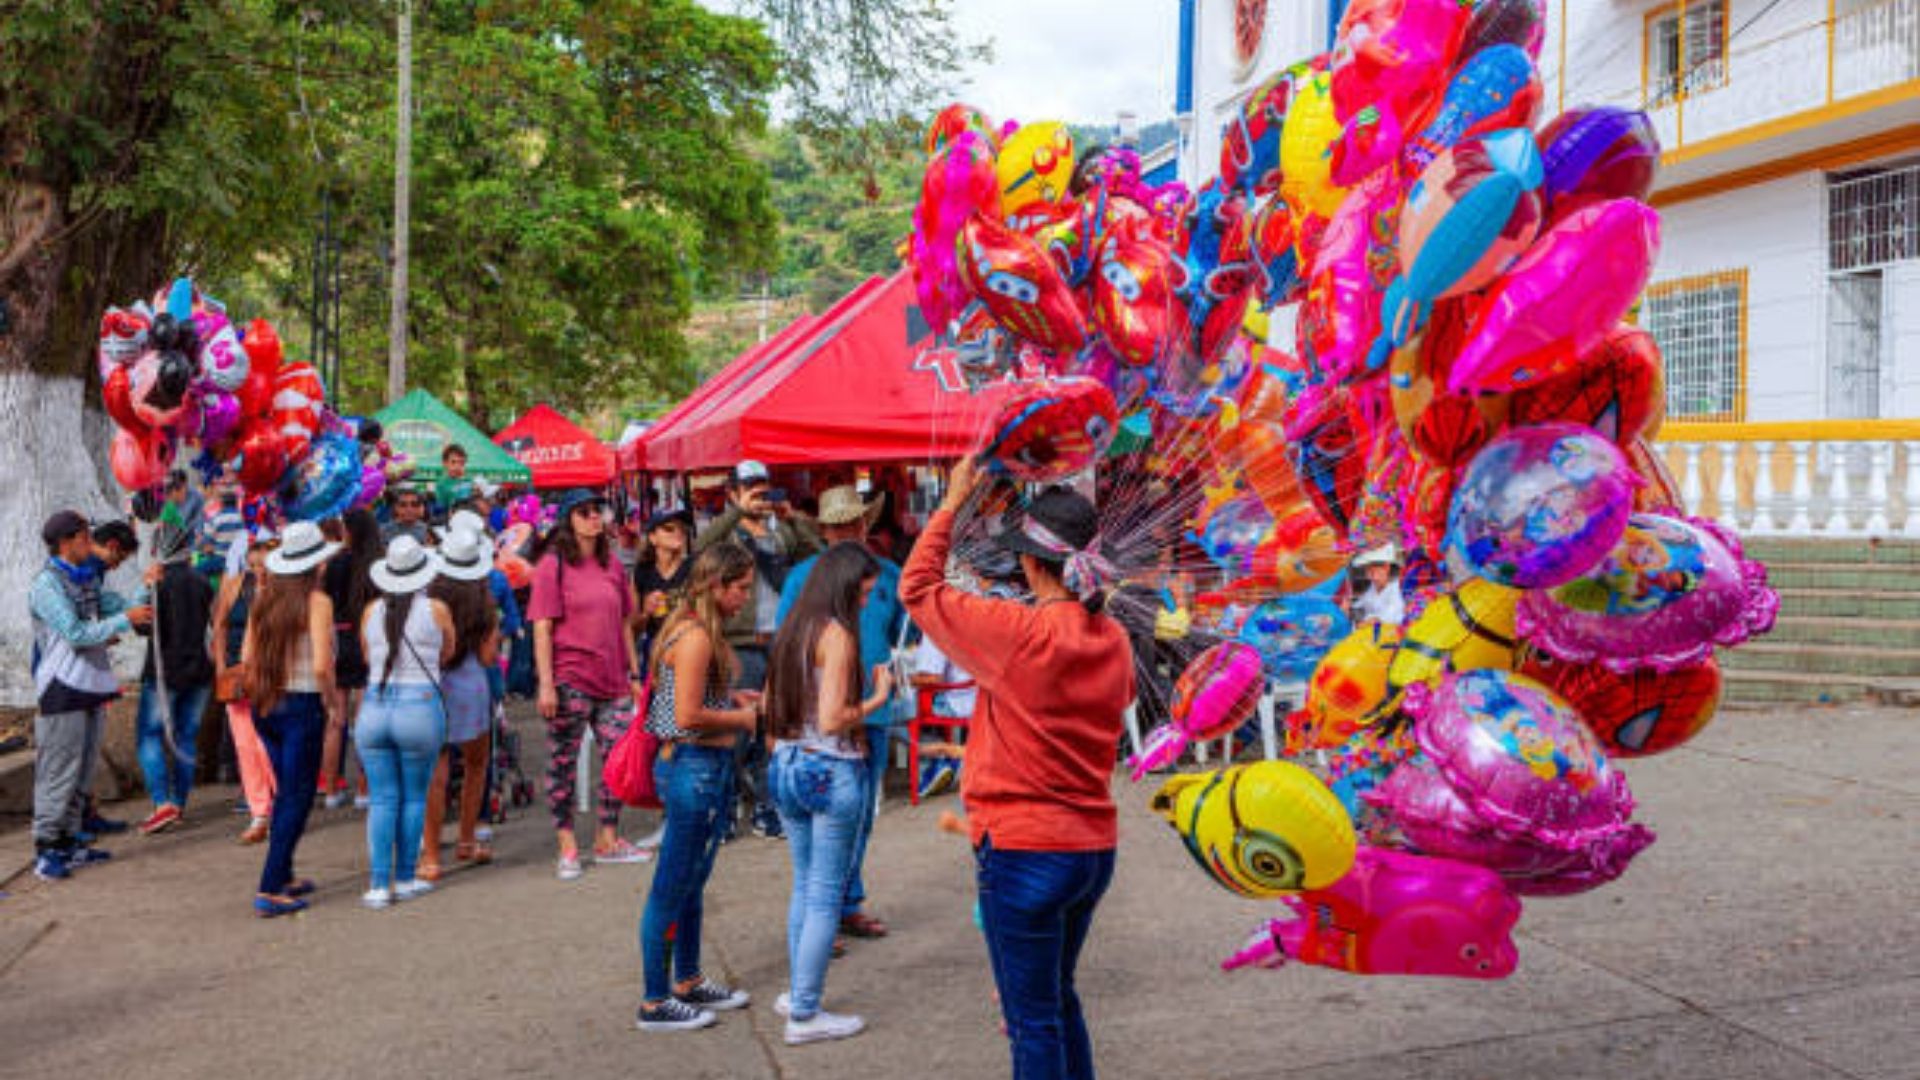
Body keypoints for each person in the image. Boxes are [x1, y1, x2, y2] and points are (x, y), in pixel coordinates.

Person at [900, 460, 1135, 1080]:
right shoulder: (1112, 638)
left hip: (1025, 848)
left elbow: (917, 589)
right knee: (1057, 1001)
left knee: (1032, 1021)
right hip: (1091, 849)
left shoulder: (1020, 634)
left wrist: (949, 503)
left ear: (1031, 564)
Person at [765, 542, 894, 1045]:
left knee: (804, 886)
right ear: (844, 586)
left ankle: (797, 992)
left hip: (788, 763)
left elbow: (776, 711)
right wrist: (880, 696)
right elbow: (834, 718)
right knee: (824, 896)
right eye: (863, 593)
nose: (866, 603)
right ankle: (804, 1010)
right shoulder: (836, 635)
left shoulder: (794, 626)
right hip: (829, 766)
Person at [635, 542, 760, 1032]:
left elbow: (678, 706)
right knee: (672, 887)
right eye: (741, 588)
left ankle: (686, 979)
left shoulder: (690, 627)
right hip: (693, 767)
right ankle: (654, 1000)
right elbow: (685, 717)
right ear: (716, 585)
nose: (745, 599)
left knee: (690, 884)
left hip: (696, 766)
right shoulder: (696, 637)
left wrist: (729, 698)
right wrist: (745, 716)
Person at [775, 485, 905, 940]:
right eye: (837, 524)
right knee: (821, 821)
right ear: (825, 530)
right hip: (822, 717)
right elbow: (786, 646)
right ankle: (821, 915)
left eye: (853, 522)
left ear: (865, 524)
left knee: (861, 815)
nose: (846, 531)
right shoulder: (802, 577)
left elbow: (904, 632)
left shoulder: (888, 574)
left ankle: (845, 903)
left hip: (873, 710)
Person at [694, 460, 822, 839]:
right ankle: (729, 802)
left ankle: (768, 805)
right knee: (734, 729)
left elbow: (817, 556)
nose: (759, 495)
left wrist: (792, 518)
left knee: (775, 726)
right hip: (740, 642)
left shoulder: (779, 532)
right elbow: (700, 549)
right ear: (733, 491)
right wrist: (738, 512)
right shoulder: (726, 534)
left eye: (763, 487)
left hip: (779, 640)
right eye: (750, 487)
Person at [530, 487, 650, 879]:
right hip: (571, 678)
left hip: (613, 678)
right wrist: (546, 684)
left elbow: (624, 624)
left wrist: (634, 674)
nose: (594, 518)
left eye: (597, 510)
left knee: (619, 760)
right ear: (568, 519)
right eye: (583, 512)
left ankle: (607, 838)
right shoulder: (553, 565)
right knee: (563, 763)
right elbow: (542, 627)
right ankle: (567, 843)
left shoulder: (612, 564)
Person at [28, 511, 153, 880]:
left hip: (91, 684)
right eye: (85, 537)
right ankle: (47, 848)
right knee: (58, 771)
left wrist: (145, 588)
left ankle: (69, 844)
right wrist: (124, 620)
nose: (92, 544)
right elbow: (76, 633)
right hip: (61, 688)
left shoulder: (85, 579)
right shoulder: (46, 586)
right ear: (66, 542)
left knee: (81, 772)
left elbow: (114, 607)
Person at [243, 521, 340, 917]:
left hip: (266, 703)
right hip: (301, 704)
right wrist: (333, 703)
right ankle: (269, 887)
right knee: (296, 798)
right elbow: (321, 665)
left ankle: (282, 873)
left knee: (288, 793)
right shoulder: (317, 603)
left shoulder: (263, 598)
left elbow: (247, 657)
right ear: (316, 564)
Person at [354, 536, 455, 909]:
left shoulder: (370, 612)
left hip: (375, 705)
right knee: (415, 796)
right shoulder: (437, 610)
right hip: (420, 706)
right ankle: (406, 877)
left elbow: (367, 657)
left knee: (382, 799)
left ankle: (379, 885)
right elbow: (448, 652)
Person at [419, 529, 500, 879]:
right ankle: (467, 839)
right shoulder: (484, 603)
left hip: (434, 685)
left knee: (435, 774)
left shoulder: (429, 596)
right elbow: (486, 657)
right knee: (475, 766)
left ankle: (432, 856)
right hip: (471, 688)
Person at [133, 520, 215, 835]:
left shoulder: (158, 583)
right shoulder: (202, 581)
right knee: (186, 737)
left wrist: (144, 589)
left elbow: (141, 625)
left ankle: (162, 803)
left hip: (163, 672)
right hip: (199, 671)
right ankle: (178, 802)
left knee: (149, 735)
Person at [213, 537, 277, 843]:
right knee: (245, 746)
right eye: (253, 565)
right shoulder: (235, 584)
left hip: (270, 676)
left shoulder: (282, 590)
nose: (258, 571)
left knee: (268, 745)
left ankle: (279, 806)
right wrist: (221, 668)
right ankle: (259, 812)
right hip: (237, 676)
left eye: (263, 565)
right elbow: (220, 625)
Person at [321, 509, 381, 808]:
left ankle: (331, 791)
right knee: (365, 722)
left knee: (336, 721)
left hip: (339, 639)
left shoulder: (336, 563)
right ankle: (364, 790)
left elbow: (325, 601)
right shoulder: (377, 565)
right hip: (368, 639)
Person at [632, 506, 693, 660]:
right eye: (669, 529)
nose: (678, 533)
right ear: (652, 537)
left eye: (682, 529)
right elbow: (632, 629)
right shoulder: (642, 572)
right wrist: (646, 612)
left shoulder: (694, 567)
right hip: (655, 649)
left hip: (689, 647)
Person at [1348, 544, 1406, 626]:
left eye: (1374, 571)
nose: (1370, 575)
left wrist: (1367, 622)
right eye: (1367, 570)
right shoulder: (1372, 588)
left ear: (1386, 567)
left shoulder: (1397, 589)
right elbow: (1361, 604)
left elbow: (1389, 617)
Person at [434, 444, 475, 515]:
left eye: (461, 463)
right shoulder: (442, 484)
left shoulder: (470, 481)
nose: (457, 466)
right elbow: (440, 508)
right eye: (453, 462)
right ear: (445, 463)